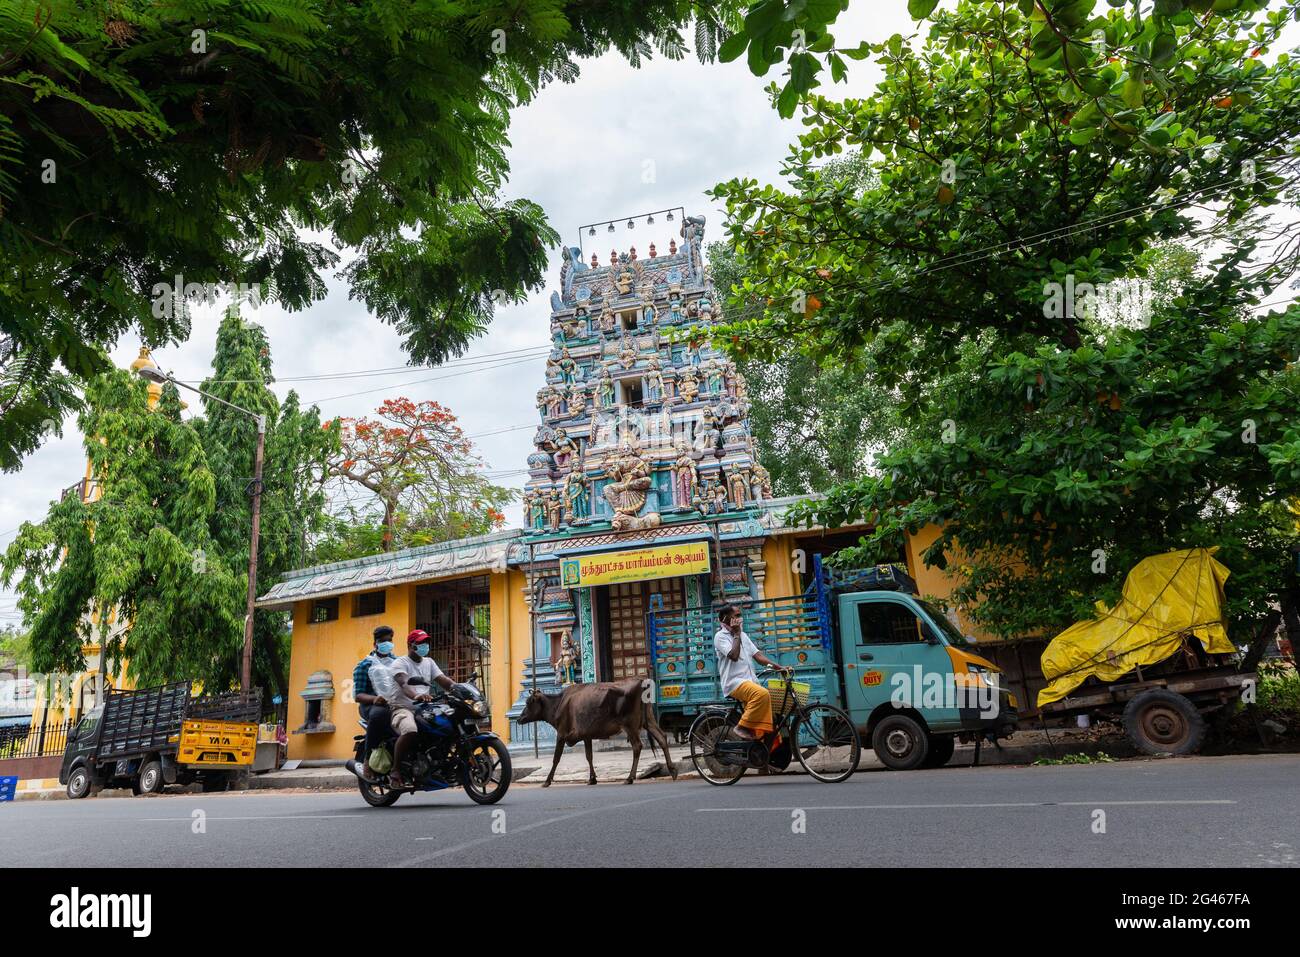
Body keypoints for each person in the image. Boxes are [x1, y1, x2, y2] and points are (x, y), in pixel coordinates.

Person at [384, 629, 454, 789]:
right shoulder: (400, 663)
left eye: (426, 642)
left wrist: (459, 688)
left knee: (448, 725)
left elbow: (443, 680)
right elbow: (404, 683)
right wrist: (416, 696)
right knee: (410, 729)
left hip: (425, 708)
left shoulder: (429, 662)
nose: (425, 646)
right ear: (411, 645)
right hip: (403, 708)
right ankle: (395, 770)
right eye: (421, 643)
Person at [713, 604, 789, 741]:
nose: (739, 619)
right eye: (736, 616)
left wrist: (780, 668)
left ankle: (764, 756)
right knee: (762, 694)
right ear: (726, 619)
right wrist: (736, 634)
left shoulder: (743, 635)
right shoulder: (720, 637)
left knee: (771, 717)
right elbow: (733, 656)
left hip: (750, 681)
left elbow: (758, 657)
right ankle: (742, 726)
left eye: (739, 615)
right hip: (734, 683)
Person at [345, 626, 397, 783]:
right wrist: (375, 699)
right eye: (383, 641)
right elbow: (358, 695)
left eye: (390, 640)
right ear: (375, 644)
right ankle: (368, 760)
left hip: (394, 703)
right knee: (379, 715)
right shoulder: (364, 665)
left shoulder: (397, 662)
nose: (387, 644)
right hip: (371, 705)